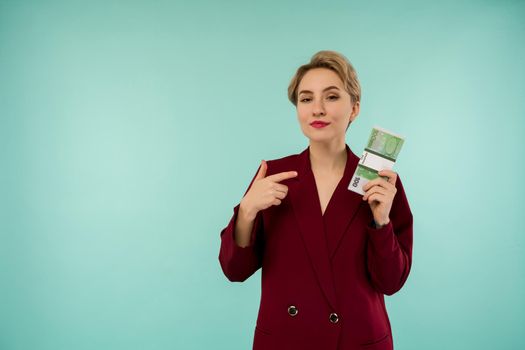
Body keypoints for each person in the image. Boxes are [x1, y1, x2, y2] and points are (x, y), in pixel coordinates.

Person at [218, 50, 413, 350]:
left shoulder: (380, 181)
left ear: (354, 109)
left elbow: (391, 282)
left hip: (356, 340)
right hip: (286, 340)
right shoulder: (274, 174)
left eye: (332, 97)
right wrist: (246, 211)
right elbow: (235, 270)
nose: (317, 109)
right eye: (306, 99)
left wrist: (381, 221)